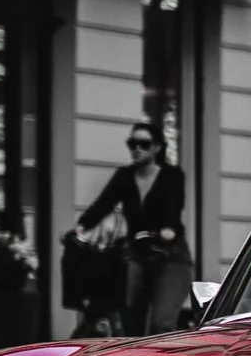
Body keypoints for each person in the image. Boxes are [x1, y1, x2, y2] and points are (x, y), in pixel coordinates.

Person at [72, 122, 191, 334]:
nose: (137, 149)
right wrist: (82, 227)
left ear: (157, 148)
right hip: (136, 253)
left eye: (144, 144)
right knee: (130, 323)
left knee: (161, 323)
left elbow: (174, 205)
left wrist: (168, 229)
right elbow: (104, 203)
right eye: (132, 143)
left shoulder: (172, 175)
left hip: (170, 256)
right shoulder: (124, 176)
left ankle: (163, 354)